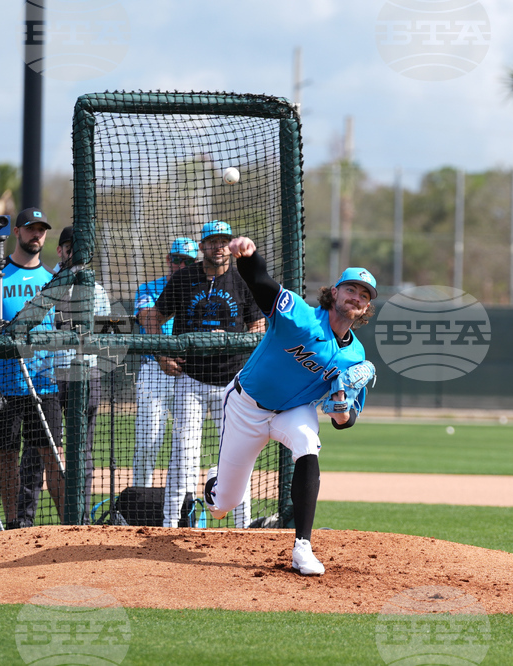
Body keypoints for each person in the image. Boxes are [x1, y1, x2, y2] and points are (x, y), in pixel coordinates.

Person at [204, 235, 377, 576]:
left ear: (366, 308)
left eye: (365, 295)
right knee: (225, 505)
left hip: (293, 411)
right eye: (351, 289)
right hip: (245, 407)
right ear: (335, 292)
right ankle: (214, 482)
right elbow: (262, 285)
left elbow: (346, 420)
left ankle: (302, 547)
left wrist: (342, 412)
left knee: (307, 444)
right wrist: (249, 257)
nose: (357, 297)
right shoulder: (300, 316)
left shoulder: (355, 357)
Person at [138, 221, 264, 528]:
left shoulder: (242, 279)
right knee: (184, 457)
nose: (218, 247)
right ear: (202, 246)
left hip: (232, 384)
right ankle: (170, 525)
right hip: (190, 381)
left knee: (236, 458)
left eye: (223, 241)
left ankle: (241, 527)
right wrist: (161, 353)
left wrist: (245, 351)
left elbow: (258, 326)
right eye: (212, 241)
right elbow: (154, 316)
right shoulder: (184, 278)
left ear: (230, 245)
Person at [0, 207, 64, 529]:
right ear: (17, 232)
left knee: (53, 457)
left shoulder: (52, 281)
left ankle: (71, 526)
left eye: (42, 229)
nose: (37, 234)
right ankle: (11, 529)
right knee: (7, 457)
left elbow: (64, 333)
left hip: (44, 384)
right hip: (4, 387)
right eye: (31, 228)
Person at [53, 225, 111, 518]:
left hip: (88, 375)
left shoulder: (97, 289)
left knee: (83, 450)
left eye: (80, 249)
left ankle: (82, 516)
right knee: (41, 449)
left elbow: (109, 331)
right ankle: (25, 522)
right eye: (69, 247)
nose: (74, 253)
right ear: (60, 250)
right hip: (50, 376)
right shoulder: (46, 282)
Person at [131, 237, 198, 488]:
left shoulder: (201, 289)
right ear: (169, 260)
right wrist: (163, 355)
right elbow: (147, 317)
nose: (182, 265)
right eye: (178, 259)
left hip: (189, 372)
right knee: (148, 440)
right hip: (154, 369)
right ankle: (140, 498)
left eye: (188, 261)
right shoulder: (150, 288)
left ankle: (186, 503)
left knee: (187, 443)